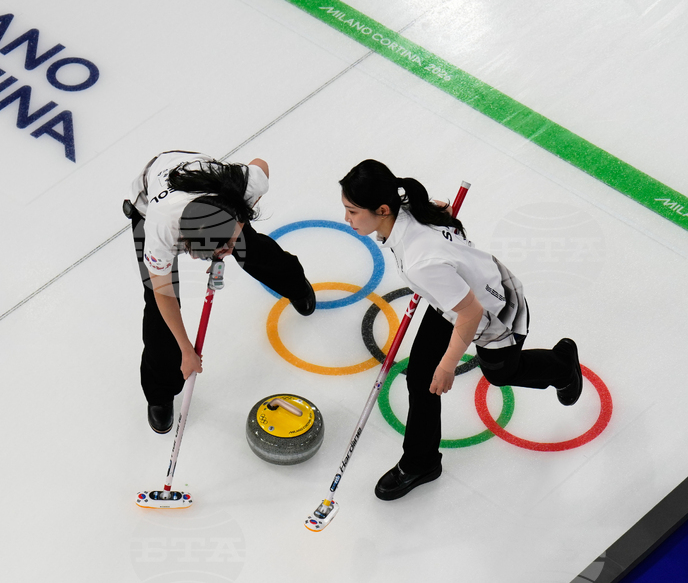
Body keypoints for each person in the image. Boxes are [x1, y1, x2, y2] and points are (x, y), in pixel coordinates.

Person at [338, 159, 583, 500]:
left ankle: (561, 367)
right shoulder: (405, 205)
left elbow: (472, 314)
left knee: (499, 373)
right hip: (454, 296)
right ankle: (421, 462)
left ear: (381, 209)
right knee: (420, 378)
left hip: (495, 309)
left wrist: (449, 364)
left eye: (352, 212)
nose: (347, 219)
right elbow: (440, 212)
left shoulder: (421, 261)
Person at [125, 150, 316, 434]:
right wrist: (186, 349)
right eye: (215, 254)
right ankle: (161, 392)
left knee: (250, 248)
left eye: (225, 247)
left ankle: (294, 284)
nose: (223, 255)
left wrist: (240, 221)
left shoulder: (241, 186)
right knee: (158, 314)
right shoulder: (160, 229)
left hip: (218, 201)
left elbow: (261, 164)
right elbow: (162, 293)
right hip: (150, 202)